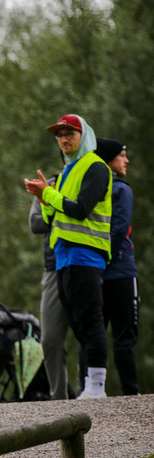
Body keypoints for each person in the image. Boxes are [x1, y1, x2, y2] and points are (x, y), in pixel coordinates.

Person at [25, 114, 113, 399]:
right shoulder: (66, 172)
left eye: (69, 134)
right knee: (78, 325)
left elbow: (80, 209)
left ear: (83, 136)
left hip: (86, 253)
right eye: (60, 136)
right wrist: (43, 198)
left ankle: (96, 386)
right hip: (63, 257)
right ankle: (89, 385)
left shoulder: (95, 166)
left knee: (91, 321)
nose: (64, 140)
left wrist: (49, 194)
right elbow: (51, 218)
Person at [90, 137, 138, 394]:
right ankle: (131, 393)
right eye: (122, 155)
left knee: (93, 332)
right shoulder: (121, 189)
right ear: (109, 160)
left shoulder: (91, 188)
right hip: (120, 271)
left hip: (93, 271)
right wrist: (106, 259)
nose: (126, 160)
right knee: (125, 334)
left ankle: (92, 389)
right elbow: (119, 230)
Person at [29, 193, 72, 399]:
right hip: (53, 267)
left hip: (85, 264)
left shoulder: (89, 181)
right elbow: (35, 223)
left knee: (88, 336)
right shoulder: (48, 186)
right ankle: (59, 399)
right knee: (50, 339)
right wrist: (62, 210)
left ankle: (91, 394)